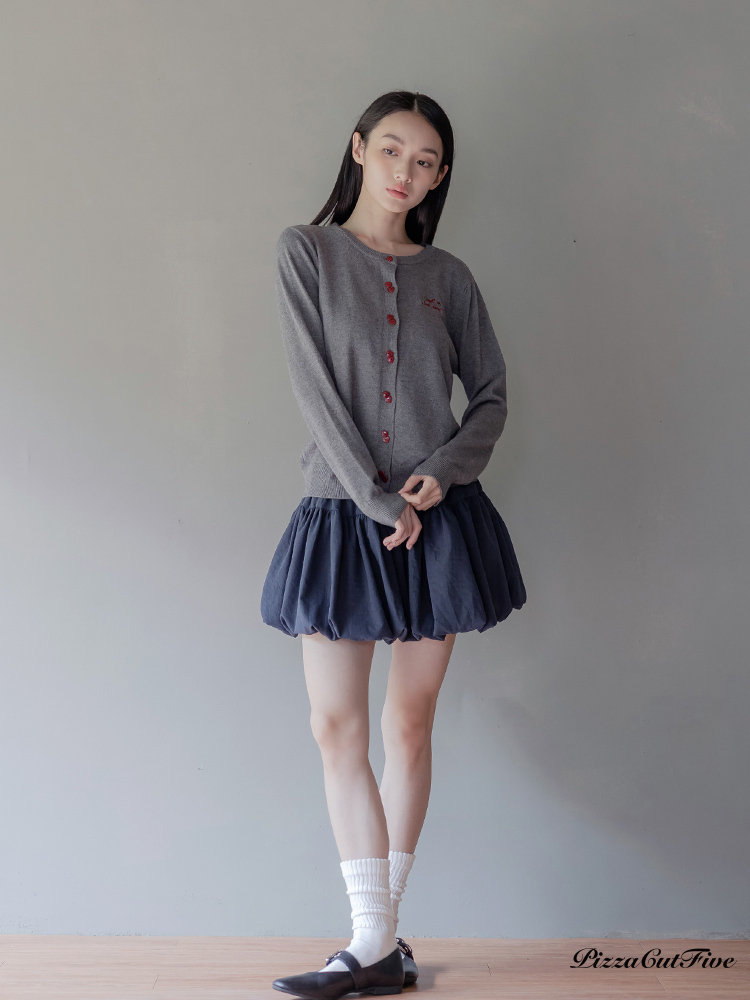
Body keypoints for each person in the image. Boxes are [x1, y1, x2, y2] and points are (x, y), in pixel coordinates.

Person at [262, 90, 527, 998]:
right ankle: (377, 942)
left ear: (441, 175)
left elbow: (490, 395)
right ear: (358, 150)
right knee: (333, 724)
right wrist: (373, 499)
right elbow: (314, 392)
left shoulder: (449, 275)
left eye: (425, 161)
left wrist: (443, 473)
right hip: (342, 516)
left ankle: (376, 939)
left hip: (435, 520)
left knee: (407, 721)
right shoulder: (306, 252)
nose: (405, 172)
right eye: (391, 150)